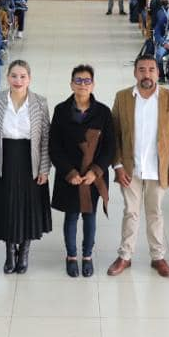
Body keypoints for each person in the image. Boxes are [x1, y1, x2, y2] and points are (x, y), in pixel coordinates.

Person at [107, 55, 169, 278]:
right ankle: (125, 256)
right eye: (142, 69)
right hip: (129, 169)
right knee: (130, 212)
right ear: (135, 73)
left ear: (158, 73)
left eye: (151, 69)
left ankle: (158, 257)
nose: (147, 74)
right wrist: (118, 166)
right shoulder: (123, 97)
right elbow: (114, 135)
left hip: (158, 169)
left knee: (155, 213)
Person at [0, 60, 52, 274]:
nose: (18, 80)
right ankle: (10, 253)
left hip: (31, 160)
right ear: (7, 77)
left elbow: (45, 138)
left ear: (29, 79)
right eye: (14, 76)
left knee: (28, 206)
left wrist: (44, 169)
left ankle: (24, 253)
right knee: (7, 207)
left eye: (22, 76)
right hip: (5, 159)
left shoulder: (40, 102)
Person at [49, 65, 115, 278]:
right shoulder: (61, 110)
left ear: (93, 85)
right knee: (71, 216)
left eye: (87, 81)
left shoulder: (103, 112)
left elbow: (110, 147)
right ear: (71, 84)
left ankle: (87, 255)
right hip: (70, 175)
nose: (83, 85)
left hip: (92, 176)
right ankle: (71, 256)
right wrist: (69, 172)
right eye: (78, 80)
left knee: (90, 215)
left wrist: (95, 171)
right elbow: (54, 146)